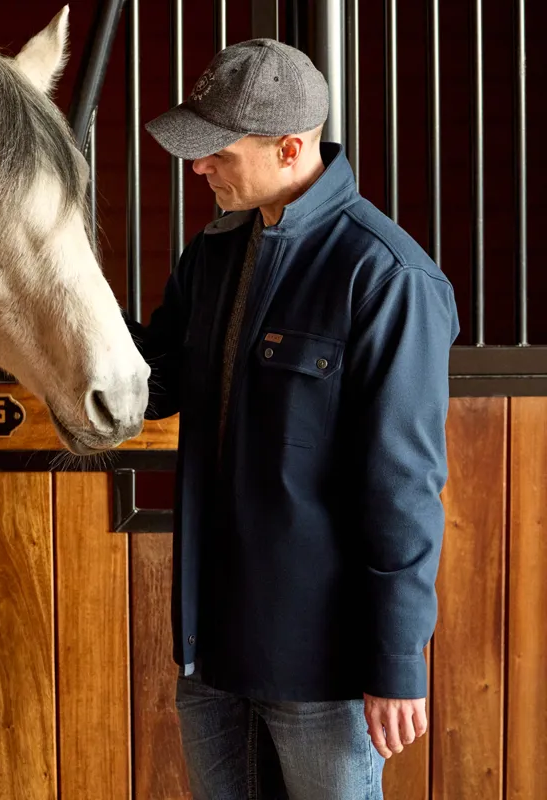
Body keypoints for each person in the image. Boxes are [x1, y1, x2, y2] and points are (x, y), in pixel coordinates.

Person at [126, 38, 460, 799]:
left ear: (289, 147)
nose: (197, 167)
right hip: (210, 656)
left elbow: (403, 488)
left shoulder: (387, 278)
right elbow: (161, 379)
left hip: (321, 667)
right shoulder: (212, 253)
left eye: (216, 151)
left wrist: (396, 659)